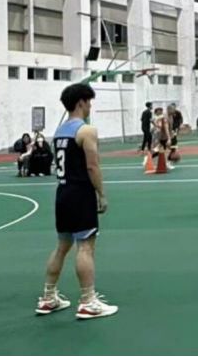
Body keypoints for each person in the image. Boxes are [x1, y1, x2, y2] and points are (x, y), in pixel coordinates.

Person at [35, 83, 118, 319]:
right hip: (81, 193)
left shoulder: (60, 131)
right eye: (89, 102)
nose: (90, 106)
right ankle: (88, 301)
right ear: (81, 102)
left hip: (62, 193)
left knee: (62, 246)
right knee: (85, 246)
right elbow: (92, 165)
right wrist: (101, 193)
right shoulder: (86, 131)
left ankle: (48, 297)